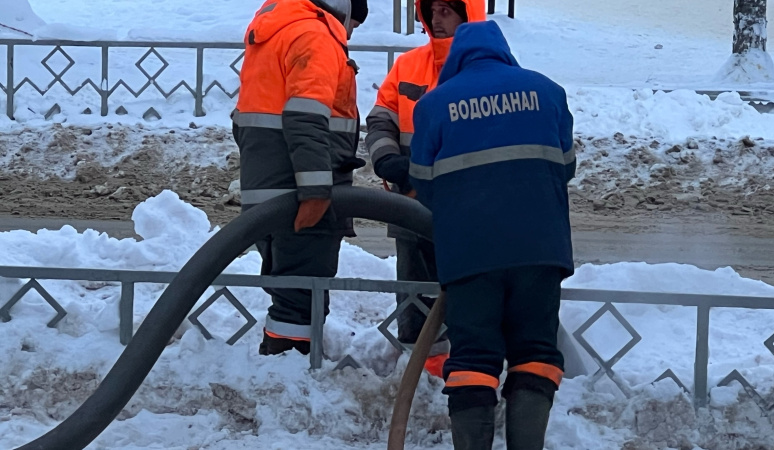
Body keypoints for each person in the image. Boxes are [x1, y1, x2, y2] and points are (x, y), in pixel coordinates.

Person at [409, 21, 576, 450]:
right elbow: (565, 167)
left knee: (473, 361)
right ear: (502, 52)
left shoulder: (433, 105)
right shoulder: (547, 92)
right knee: (536, 353)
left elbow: (424, 184)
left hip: (470, 254)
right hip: (541, 249)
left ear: (456, 59)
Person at [231, 0, 368, 356]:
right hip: (301, 198)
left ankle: (282, 371)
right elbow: (305, 117)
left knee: (290, 294)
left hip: (270, 194)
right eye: (354, 24)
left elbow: (244, 120)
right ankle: (289, 374)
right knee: (300, 300)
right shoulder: (315, 35)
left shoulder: (273, 33)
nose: (350, 35)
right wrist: (316, 191)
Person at [364, 0, 485, 378]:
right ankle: (422, 368)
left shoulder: (483, 70)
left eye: (447, 10)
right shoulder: (408, 64)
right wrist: (385, 159)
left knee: (465, 288)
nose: (436, 19)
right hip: (410, 204)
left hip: (463, 206)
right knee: (415, 289)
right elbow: (381, 116)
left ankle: (467, 366)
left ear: (469, 15)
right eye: (431, 10)